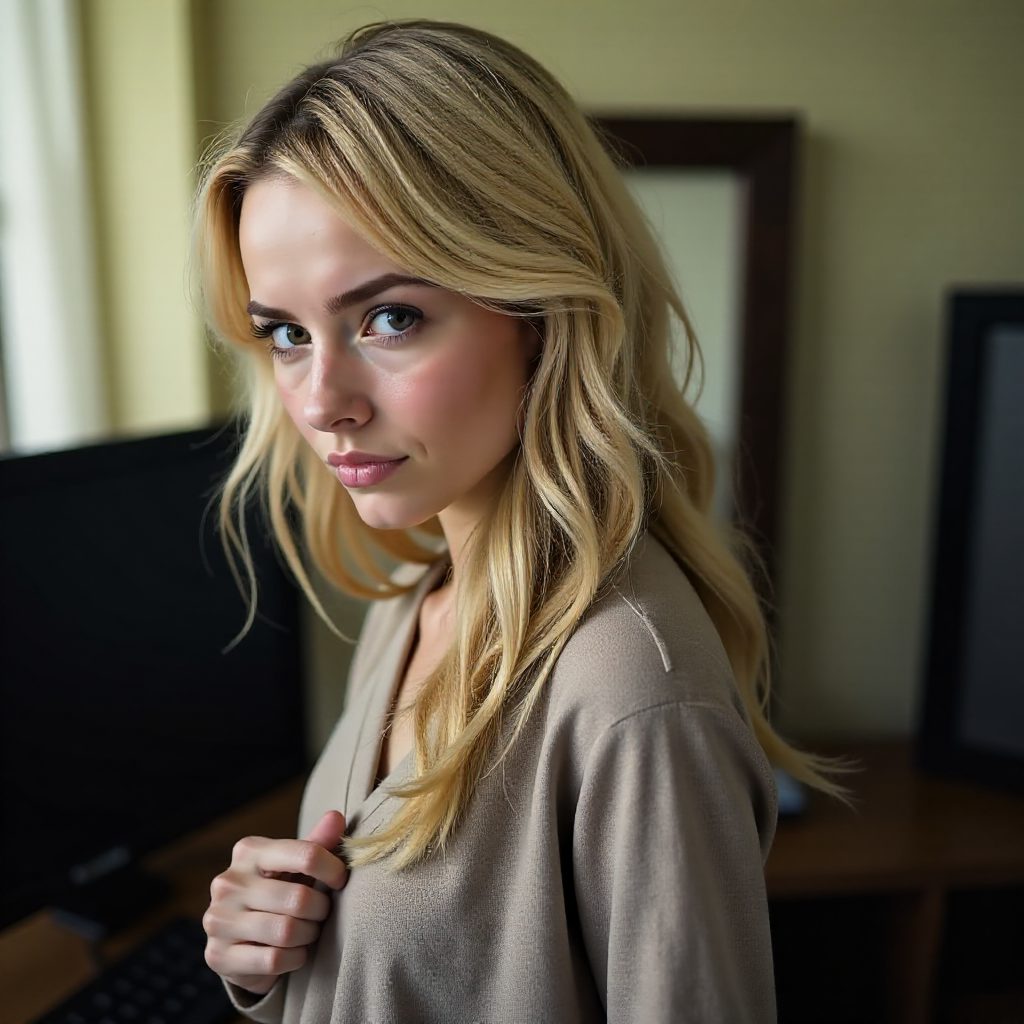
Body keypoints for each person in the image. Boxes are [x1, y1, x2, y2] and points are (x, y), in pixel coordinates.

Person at [191, 18, 854, 1023]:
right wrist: (267, 956)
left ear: (541, 310)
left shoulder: (630, 690)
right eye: (285, 332)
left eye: (389, 317)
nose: (322, 399)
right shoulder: (416, 601)